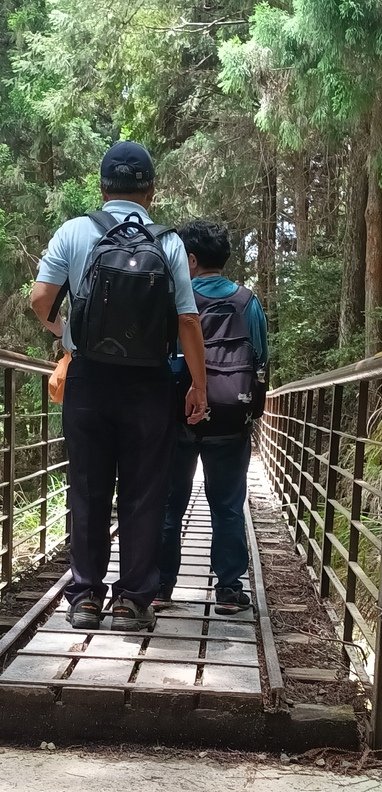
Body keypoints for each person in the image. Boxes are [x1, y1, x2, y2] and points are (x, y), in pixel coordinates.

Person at [31, 142, 207, 632]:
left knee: (87, 489)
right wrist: (198, 386)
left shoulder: (73, 231)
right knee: (144, 492)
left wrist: (66, 333)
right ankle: (132, 601)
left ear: (102, 185)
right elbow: (188, 321)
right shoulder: (167, 242)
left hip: (88, 380)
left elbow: (41, 299)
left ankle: (85, 598)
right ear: (151, 189)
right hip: (149, 383)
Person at [154, 220, 268, 616]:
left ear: (191, 259)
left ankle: (159, 587)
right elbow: (261, 361)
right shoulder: (247, 302)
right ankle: (229, 591)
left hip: (176, 417)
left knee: (170, 504)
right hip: (230, 417)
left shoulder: (174, 300)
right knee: (228, 505)